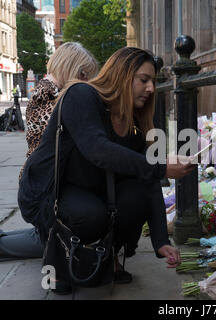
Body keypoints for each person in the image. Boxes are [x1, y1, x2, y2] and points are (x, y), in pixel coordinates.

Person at [18, 47, 195, 294]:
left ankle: (107, 254)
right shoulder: (81, 95)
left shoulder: (132, 122)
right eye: (144, 80)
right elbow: (97, 149)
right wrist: (163, 166)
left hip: (93, 189)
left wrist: (160, 241)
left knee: (134, 195)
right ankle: (57, 259)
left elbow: (148, 179)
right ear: (122, 75)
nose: (151, 89)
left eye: (153, 82)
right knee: (90, 215)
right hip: (50, 191)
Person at [0, 42, 98, 262]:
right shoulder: (48, 94)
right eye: (83, 74)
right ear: (71, 68)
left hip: (47, 179)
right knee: (53, 240)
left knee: (54, 236)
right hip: (43, 184)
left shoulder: (55, 91)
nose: (86, 81)